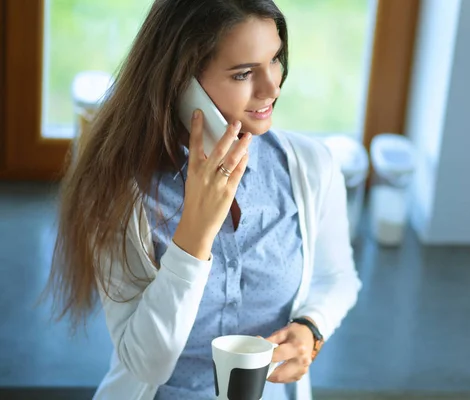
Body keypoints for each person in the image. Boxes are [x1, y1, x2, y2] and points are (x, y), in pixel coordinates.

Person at [46, 0, 361, 399]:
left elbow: (338, 278)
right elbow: (147, 362)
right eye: (244, 73)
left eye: (275, 59)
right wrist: (194, 235)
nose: (272, 87)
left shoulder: (312, 167)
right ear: (182, 84)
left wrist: (311, 328)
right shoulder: (120, 191)